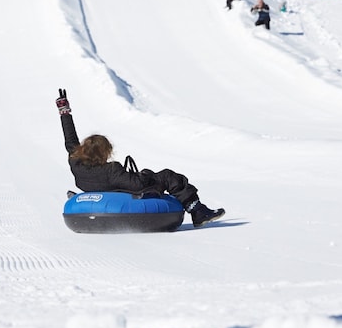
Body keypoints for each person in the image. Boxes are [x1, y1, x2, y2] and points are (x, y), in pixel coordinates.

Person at [56, 89, 225, 228]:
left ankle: (197, 210)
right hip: (125, 191)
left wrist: (64, 112)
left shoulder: (75, 161)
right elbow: (136, 185)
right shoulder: (112, 169)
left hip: (98, 190)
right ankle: (198, 211)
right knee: (167, 175)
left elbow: (70, 140)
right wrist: (145, 175)